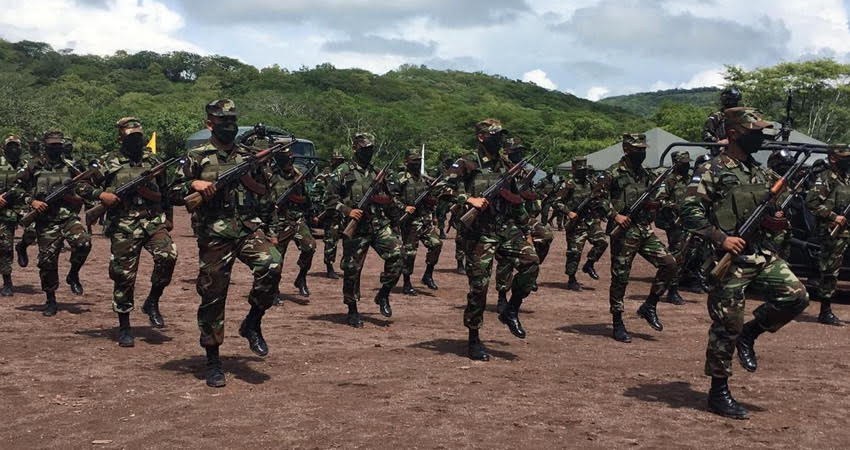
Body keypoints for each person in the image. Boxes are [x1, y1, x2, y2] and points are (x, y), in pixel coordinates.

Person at [681, 107, 810, 419]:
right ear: (736, 133)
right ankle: (718, 391)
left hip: (761, 255)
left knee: (797, 297)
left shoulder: (761, 173)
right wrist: (719, 238)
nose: (761, 136)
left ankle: (752, 332)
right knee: (727, 326)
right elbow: (687, 211)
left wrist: (778, 221)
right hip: (730, 259)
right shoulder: (712, 169)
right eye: (755, 131)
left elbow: (778, 213)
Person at [176, 99, 283, 387]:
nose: (229, 126)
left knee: (272, 264)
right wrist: (193, 184)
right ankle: (213, 360)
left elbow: (266, 194)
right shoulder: (196, 156)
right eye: (223, 121)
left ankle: (253, 321)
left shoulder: (249, 155)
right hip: (214, 234)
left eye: (233, 121)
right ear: (210, 123)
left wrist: (271, 228)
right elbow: (172, 191)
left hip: (248, 228)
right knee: (213, 296)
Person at [452, 119, 539, 361]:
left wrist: (526, 229)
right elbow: (443, 188)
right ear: (481, 137)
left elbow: (514, 199)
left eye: (501, 135)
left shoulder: (506, 165)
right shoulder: (466, 161)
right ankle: (474, 337)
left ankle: (511, 309)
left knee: (531, 262)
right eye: (494, 135)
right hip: (479, 232)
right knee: (479, 287)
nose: (499, 139)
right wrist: (467, 199)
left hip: (505, 228)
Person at [89, 117, 177, 347]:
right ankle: (125, 325)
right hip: (123, 224)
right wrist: (101, 196)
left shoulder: (153, 161)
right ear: (120, 137)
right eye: (131, 137)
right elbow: (80, 185)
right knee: (124, 276)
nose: (136, 141)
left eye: (139, 136)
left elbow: (166, 191)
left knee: (168, 256)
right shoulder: (107, 162)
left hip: (151, 221)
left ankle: (152, 300)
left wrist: (169, 218)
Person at [323, 133, 403, 328]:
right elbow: (328, 199)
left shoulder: (377, 173)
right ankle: (352, 308)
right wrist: (348, 210)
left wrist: (395, 221)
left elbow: (389, 199)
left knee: (398, 255)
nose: (368, 152)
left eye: (370, 149)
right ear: (354, 148)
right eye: (364, 149)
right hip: (356, 229)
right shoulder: (341, 171)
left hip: (378, 224)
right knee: (352, 270)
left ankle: (383, 294)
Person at [604, 133, 677, 343]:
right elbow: (597, 198)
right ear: (626, 149)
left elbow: (653, 198)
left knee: (670, 264)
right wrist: (615, 215)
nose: (641, 153)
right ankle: (617, 322)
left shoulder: (645, 174)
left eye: (643, 149)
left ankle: (650, 305)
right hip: (623, 232)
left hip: (644, 229)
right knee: (620, 278)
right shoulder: (613, 173)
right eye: (637, 149)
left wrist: (655, 205)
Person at [12, 130, 93, 316]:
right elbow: (16, 188)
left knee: (84, 243)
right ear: (45, 146)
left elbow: (84, 185)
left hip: (68, 217)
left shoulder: (70, 166)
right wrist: (32, 201)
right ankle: (50, 299)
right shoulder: (33, 167)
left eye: (58, 145)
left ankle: (73, 274)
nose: (56, 148)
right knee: (47, 262)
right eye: (52, 145)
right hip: (45, 221)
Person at [494, 137, 552, 310]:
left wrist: (528, 190)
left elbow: (529, 195)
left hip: (522, 215)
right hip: (503, 218)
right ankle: (502, 296)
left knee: (546, 235)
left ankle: (528, 274)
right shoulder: (501, 169)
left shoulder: (522, 172)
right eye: (515, 151)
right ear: (507, 152)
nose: (519, 154)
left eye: (521, 151)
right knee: (505, 260)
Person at [806, 145, 850, 325]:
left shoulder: (846, 178)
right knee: (830, 271)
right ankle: (825, 311)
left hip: (846, 230)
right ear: (833, 158)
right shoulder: (825, 178)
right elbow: (812, 203)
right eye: (845, 157)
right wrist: (833, 216)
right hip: (832, 232)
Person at [268, 144, 316, 298]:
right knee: (277, 259)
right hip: (279, 221)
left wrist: (311, 213)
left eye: (290, 159)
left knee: (310, 247)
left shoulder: (298, 175)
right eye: (286, 159)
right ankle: (273, 289)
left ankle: (301, 277)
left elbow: (306, 198)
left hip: (297, 219)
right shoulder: (271, 176)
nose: (289, 162)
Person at [396, 149, 443, 296]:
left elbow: (434, 195)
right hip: (409, 222)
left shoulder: (425, 179)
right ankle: (407, 282)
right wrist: (404, 207)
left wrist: (432, 200)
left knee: (436, 244)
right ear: (406, 162)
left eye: (419, 160)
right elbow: (392, 197)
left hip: (424, 220)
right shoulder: (400, 179)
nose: (417, 163)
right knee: (410, 252)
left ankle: (427, 275)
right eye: (414, 160)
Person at [559, 157, 608, 291]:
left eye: (584, 170)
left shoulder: (590, 182)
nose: (582, 172)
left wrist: (598, 197)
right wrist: (568, 212)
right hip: (575, 223)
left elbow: (599, 196)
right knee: (574, 252)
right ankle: (571, 279)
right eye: (580, 170)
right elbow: (557, 202)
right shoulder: (568, 184)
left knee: (602, 242)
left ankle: (589, 263)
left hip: (590, 220)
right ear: (574, 169)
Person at [654, 151, 690, 305]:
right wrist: (674, 207)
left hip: (687, 222)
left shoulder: (689, 179)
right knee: (676, 255)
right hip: (674, 223)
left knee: (684, 255)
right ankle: (672, 290)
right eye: (684, 163)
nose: (687, 165)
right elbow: (658, 200)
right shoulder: (669, 180)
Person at [0, 135, 31, 295]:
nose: (13, 149)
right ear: (4, 148)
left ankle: (22, 246)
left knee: (33, 230)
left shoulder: (27, 165)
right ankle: (7, 282)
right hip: (3, 210)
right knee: (5, 246)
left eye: (16, 146)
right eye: (10, 146)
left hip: (22, 206)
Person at [312, 152, 345, 279]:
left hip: (343, 212)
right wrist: (321, 211)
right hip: (330, 214)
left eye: (341, 160)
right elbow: (316, 195)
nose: (339, 162)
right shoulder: (323, 176)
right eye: (337, 160)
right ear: (332, 161)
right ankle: (329, 267)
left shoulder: (344, 174)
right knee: (331, 241)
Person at [703, 87, 742, 153]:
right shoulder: (716, 117)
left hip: (741, 152)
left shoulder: (742, 116)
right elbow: (706, 134)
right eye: (733, 101)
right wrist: (718, 142)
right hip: (721, 153)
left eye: (736, 101)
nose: (735, 104)